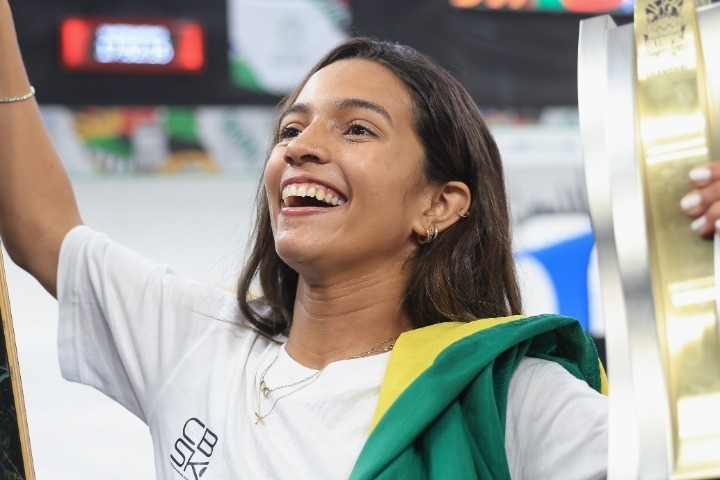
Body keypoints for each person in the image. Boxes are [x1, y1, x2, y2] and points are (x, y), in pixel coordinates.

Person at [11, 0, 720, 478]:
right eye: (291, 128)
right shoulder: (195, 339)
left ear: (440, 205)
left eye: (355, 129)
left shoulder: (512, 398)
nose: (301, 148)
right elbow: (41, 225)